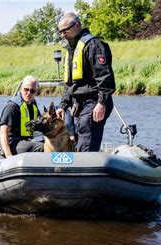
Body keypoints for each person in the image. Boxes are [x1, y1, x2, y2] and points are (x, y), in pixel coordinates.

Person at [55, 12, 115, 152]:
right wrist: (62, 106)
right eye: (60, 32)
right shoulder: (72, 49)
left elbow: (105, 77)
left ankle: (85, 169)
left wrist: (101, 103)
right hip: (79, 104)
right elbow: (71, 85)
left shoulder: (94, 45)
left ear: (77, 25)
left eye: (65, 30)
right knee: (78, 139)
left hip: (94, 102)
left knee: (86, 139)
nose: (63, 35)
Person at [0, 75, 44, 157]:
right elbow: (3, 132)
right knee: (43, 147)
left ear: (36, 92)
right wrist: (9, 156)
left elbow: (41, 124)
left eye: (32, 91)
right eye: (26, 89)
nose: (28, 93)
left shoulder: (33, 104)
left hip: (26, 141)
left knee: (52, 144)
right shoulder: (12, 106)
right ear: (21, 89)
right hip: (12, 143)